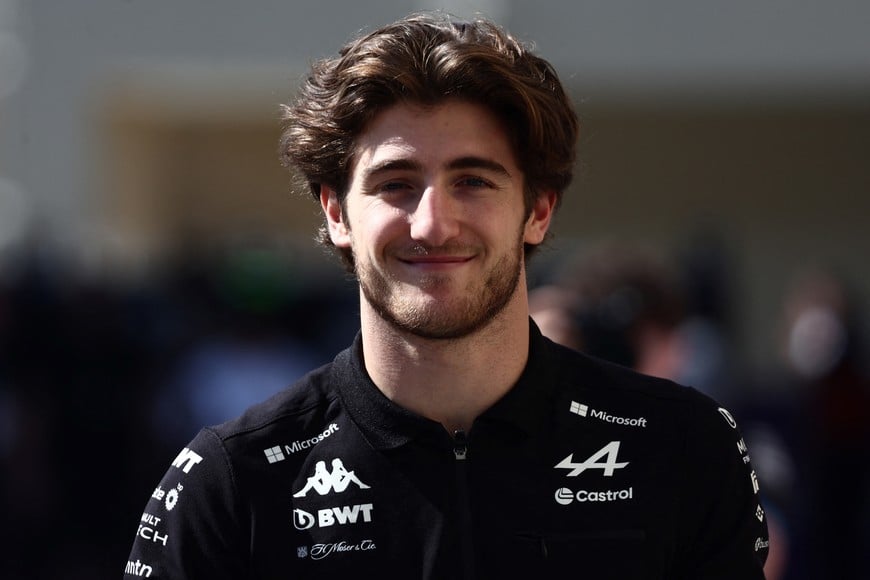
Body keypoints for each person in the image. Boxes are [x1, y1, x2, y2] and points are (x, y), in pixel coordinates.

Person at [123, 12, 768, 578]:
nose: (432, 223)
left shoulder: (681, 448)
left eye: (473, 181)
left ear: (538, 209)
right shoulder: (231, 482)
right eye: (396, 183)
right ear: (336, 214)